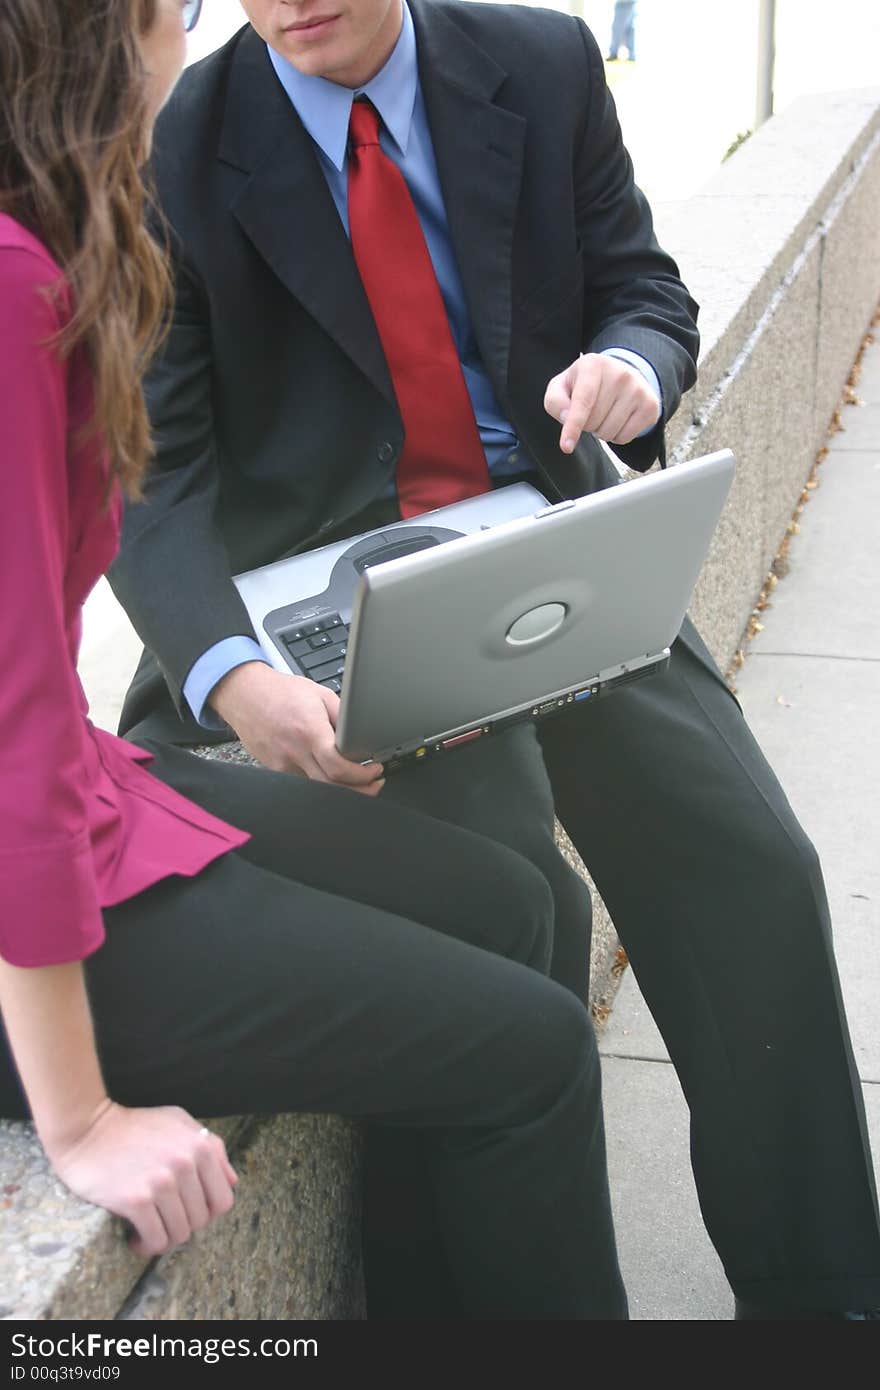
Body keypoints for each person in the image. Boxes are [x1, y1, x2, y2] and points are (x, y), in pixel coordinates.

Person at [109, 0, 880, 1320]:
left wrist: (635, 367)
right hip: (336, 606)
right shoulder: (177, 147)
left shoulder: (541, 59)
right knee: (513, 902)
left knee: (756, 864)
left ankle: (829, 1302)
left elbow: (644, 285)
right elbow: (150, 478)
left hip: (547, 542)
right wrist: (241, 681)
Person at [0, 0, 636, 1322]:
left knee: (527, 906)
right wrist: (80, 1118)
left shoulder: (62, 237)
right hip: (36, 877)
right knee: (532, 1050)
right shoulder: (15, 289)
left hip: (86, 787)